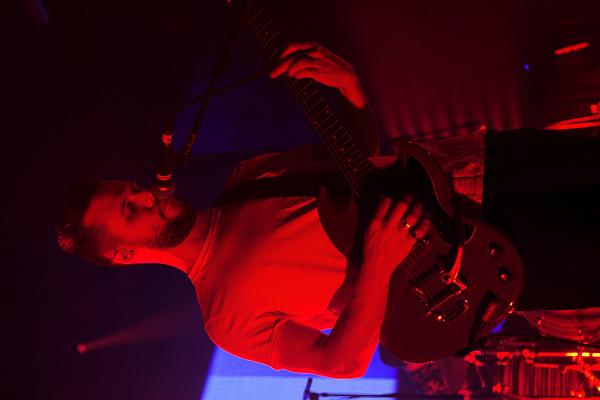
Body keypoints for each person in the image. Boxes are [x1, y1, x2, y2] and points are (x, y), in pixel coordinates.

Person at [56, 42, 600, 378]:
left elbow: (360, 163)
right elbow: (342, 362)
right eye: (130, 211)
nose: (146, 197)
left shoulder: (247, 177)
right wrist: (379, 262)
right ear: (125, 254)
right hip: (475, 265)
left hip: (473, 168)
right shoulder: (225, 322)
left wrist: (351, 90)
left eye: (133, 189)